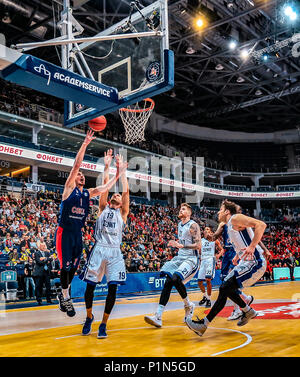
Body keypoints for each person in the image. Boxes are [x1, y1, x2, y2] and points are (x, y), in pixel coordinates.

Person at [56, 132, 126, 317]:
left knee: (73, 268)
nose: (81, 175)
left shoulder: (87, 193)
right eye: (79, 175)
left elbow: (104, 188)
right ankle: (65, 296)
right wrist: (85, 143)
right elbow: (77, 164)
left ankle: (63, 291)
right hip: (65, 233)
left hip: (77, 234)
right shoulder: (69, 190)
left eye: (82, 175)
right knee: (65, 267)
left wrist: (117, 173)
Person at [186, 199, 267, 336]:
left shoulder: (235, 218)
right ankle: (247, 311)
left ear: (227, 212)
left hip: (255, 262)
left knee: (225, 288)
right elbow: (241, 242)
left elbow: (261, 224)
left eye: (221, 209)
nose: (218, 212)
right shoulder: (229, 225)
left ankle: (205, 324)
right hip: (244, 262)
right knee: (225, 288)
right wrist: (237, 256)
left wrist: (252, 246)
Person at [80, 151, 129, 338]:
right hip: (99, 248)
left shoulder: (123, 213)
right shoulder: (102, 208)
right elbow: (105, 187)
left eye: (118, 195)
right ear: (110, 200)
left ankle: (103, 324)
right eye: (114, 194)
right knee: (90, 287)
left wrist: (122, 172)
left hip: (115, 252)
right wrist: (107, 167)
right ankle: (89, 317)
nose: (117, 194)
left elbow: (126, 192)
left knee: (113, 288)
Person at [144, 203, 201, 328]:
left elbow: (198, 245)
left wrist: (182, 245)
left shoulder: (193, 225)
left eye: (184, 209)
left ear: (189, 213)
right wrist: (176, 243)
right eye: (180, 208)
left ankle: (188, 305)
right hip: (180, 257)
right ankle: (158, 316)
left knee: (175, 278)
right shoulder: (180, 224)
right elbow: (181, 243)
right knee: (168, 281)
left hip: (191, 258)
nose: (181, 210)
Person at [197, 226, 223, 308]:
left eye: (208, 229)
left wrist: (218, 256)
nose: (206, 230)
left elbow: (222, 249)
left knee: (208, 280)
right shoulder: (201, 241)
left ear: (211, 232)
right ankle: (205, 296)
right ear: (204, 232)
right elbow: (200, 252)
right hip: (203, 261)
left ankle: (209, 299)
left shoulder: (214, 239)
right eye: (205, 229)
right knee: (199, 282)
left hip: (210, 260)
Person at [33, 241, 53, 305]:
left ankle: (49, 300)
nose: (44, 247)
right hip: (39, 272)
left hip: (46, 272)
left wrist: (44, 258)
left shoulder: (47, 253)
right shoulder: (36, 253)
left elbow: (51, 259)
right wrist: (47, 260)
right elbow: (39, 262)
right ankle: (39, 300)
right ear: (39, 246)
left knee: (48, 286)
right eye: (43, 246)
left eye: (44, 245)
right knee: (39, 287)